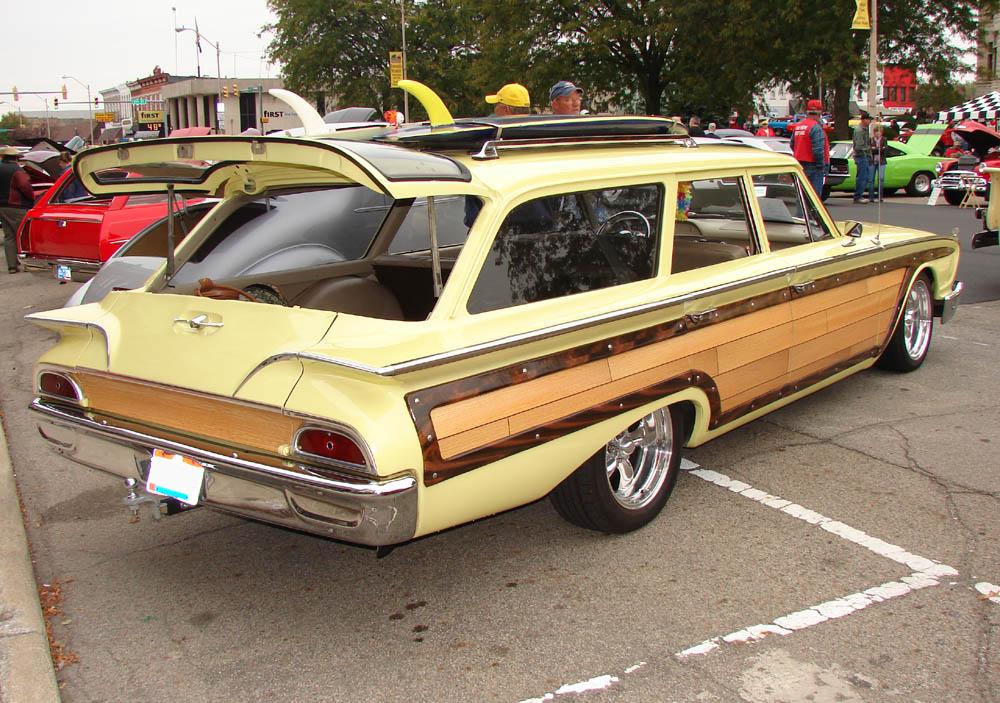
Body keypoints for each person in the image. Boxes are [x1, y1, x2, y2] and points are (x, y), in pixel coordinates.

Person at [0, 146, 35, 273]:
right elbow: (25, 186)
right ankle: (27, 263)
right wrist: (32, 199)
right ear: (15, 157)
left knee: (9, 236)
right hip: (16, 205)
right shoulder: (16, 170)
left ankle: (12, 266)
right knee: (23, 235)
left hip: (2, 207)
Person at [788, 99, 829, 197]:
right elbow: (818, 151)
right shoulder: (815, 127)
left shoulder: (798, 126)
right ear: (819, 113)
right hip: (814, 166)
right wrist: (821, 166)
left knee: (802, 196)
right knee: (814, 197)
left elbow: (792, 144)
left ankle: (801, 213)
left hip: (800, 164)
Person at [852, 111, 875, 204]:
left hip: (864, 155)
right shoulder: (859, 130)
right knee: (862, 176)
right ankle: (858, 196)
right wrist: (868, 149)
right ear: (864, 120)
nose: (870, 121)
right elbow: (859, 145)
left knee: (864, 176)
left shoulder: (864, 129)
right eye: (869, 119)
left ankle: (858, 195)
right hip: (861, 155)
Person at [871, 123, 888, 202]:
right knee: (871, 179)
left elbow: (885, 150)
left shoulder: (884, 139)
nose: (878, 133)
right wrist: (878, 149)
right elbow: (871, 150)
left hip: (882, 161)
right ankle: (871, 197)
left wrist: (877, 148)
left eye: (879, 132)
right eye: (876, 132)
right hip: (872, 161)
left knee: (881, 179)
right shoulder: (871, 139)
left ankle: (880, 197)